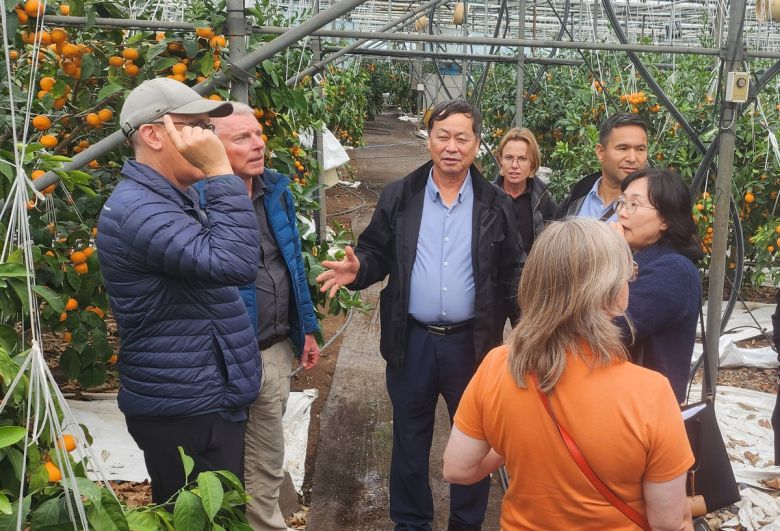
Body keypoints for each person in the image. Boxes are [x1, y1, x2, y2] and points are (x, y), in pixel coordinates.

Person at [316, 99, 522, 531]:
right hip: (413, 341)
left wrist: (530, 332)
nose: (451, 147)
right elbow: (375, 251)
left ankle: (466, 523)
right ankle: (411, 523)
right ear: (429, 140)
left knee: (474, 439)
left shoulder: (496, 203)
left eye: (462, 138)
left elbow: (512, 273)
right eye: (443, 136)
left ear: (477, 144)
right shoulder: (401, 195)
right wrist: (359, 270)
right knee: (409, 440)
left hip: (473, 345)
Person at [443, 217, 694, 530]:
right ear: (612, 293)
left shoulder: (498, 365)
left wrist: (511, 442)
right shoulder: (651, 393)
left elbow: (458, 469)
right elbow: (666, 522)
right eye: (629, 275)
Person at [96, 78, 261, 504]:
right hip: (186, 407)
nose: (208, 138)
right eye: (196, 126)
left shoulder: (169, 198)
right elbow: (234, 263)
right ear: (153, 135)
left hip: (199, 395)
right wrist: (220, 171)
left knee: (220, 517)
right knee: (201, 518)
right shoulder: (139, 209)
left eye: (207, 128)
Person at [208, 103, 321, 530]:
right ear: (210, 147)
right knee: (218, 460)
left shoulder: (274, 190)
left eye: (258, 133)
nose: (259, 144)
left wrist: (306, 328)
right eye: (242, 137)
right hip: (220, 356)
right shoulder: (194, 198)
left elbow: (291, 265)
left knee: (267, 460)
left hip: (271, 348)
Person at [615, 168, 703, 402]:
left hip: (645, 408)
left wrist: (610, 258)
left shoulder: (673, 270)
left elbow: (616, 328)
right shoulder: (641, 261)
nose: (622, 213)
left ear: (665, 220)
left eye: (634, 205)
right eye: (622, 202)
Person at [556, 113, 648, 221]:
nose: (632, 158)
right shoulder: (579, 193)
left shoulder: (654, 206)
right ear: (600, 152)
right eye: (623, 148)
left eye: (640, 149)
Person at [493, 127, 557, 253]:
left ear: (532, 164)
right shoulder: (487, 197)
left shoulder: (543, 200)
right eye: (508, 157)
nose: (514, 165)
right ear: (500, 160)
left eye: (522, 159)